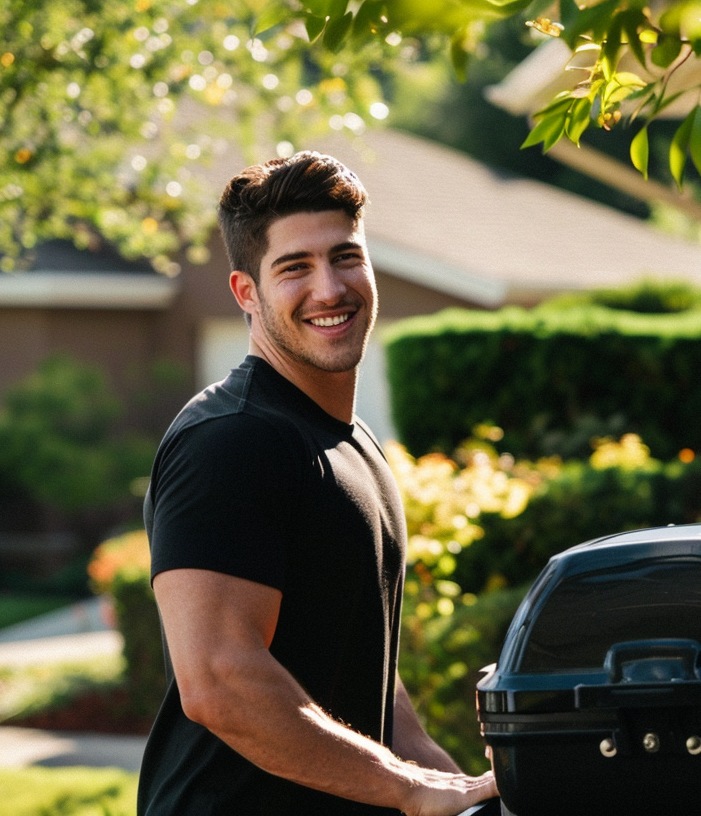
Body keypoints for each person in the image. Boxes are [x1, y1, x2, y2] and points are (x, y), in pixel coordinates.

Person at [136, 151, 498, 816]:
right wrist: (403, 785)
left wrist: (466, 796)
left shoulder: (350, 443)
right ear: (247, 292)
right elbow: (217, 680)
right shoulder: (232, 440)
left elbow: (371, 689)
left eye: (345, 256)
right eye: (294, 267)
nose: (329, 288)